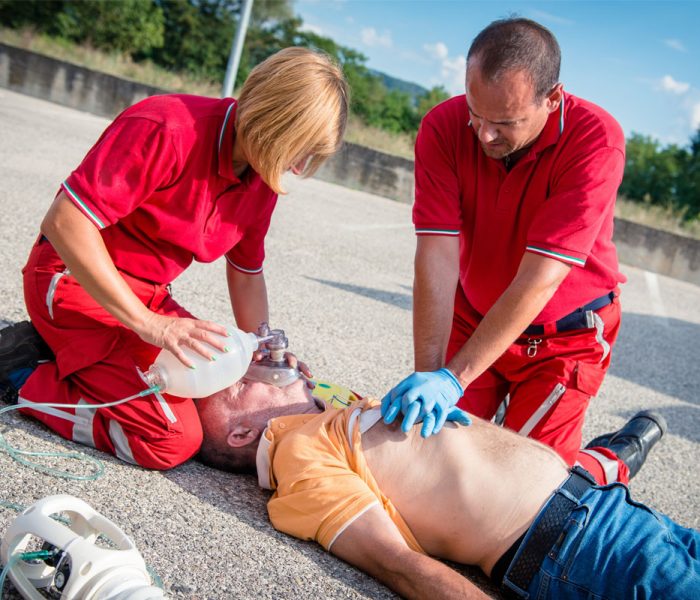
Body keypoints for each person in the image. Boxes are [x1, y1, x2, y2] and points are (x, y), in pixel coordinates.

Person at [2, 47, 349, 469]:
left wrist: (260, 343)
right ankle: (22, 373)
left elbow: (245, 271)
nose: (297, 169)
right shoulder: (168, 128)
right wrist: (149, 324)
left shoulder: (260, 176)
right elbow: (66, 222)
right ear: (271, 123)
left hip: (147, 296)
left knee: (204, 379)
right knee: (170, 439)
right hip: (72, 281)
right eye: (299, 151)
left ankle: (73, 359)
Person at [383, 18, 630, 486]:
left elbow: (541, 277)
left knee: (524, 488)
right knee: (430, 464)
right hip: (474, 315)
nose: (484, 135)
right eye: (477, 113)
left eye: (506, 123)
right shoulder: (444, 125)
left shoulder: (596, 140)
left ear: (552, 98)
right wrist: (429, 377)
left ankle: (606, 461)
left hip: (563, 340)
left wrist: (454, 381)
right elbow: (435, 257)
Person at [196, 380, 696, 600]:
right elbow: (396, 563)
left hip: (610, 513)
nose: (257, 369)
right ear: (242, 433)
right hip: (578, 552)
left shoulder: (324, 414)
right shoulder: (298, 457)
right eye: (241, 386)